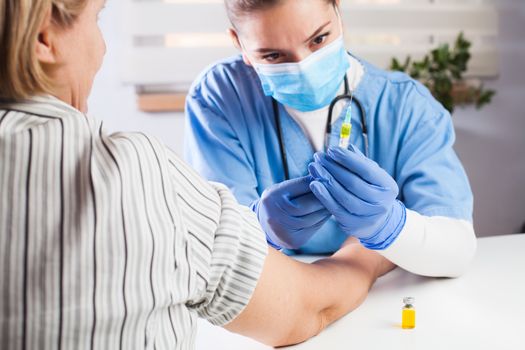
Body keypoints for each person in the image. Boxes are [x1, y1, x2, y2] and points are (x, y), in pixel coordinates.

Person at [0, 0, 395, 348]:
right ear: (44, 39)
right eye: (98, 18)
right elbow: (304, 310)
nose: (102, 48)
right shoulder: (131, 171)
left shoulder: (397, 97)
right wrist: (370, 248)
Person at [184, 0, 477, 277]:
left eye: (319, 39)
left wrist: (391, 227)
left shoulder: (404, 105)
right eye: (273, 56)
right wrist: (261, 227)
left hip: (387, 296)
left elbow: (458, 250)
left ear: (338, 9)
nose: (305, 68)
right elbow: (215, 252)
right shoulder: (220, 97)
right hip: (276, 293)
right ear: (239, 43)